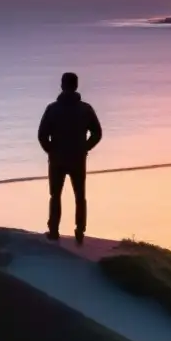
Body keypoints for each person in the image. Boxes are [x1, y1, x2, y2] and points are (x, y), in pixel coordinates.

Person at [37, 72, 103, 245]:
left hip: (58, 159)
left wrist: (51, 151)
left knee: (55, 196)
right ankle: (80, 231)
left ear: (62, 85)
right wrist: (84, 148)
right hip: (77, 159)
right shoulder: (85, 109)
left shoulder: (53, 109)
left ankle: (53, 231)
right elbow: (97, 133)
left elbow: (42, 135)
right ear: (76, 86)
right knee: (79, 196)